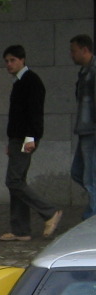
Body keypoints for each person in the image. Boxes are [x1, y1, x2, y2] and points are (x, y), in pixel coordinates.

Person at [0, 45, 61, 242]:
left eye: (12, 60)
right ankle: (21, 230)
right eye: (7, 61)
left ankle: (49, 212)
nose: (9, 64)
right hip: (17, 138)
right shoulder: (20, 82)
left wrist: (30, 138)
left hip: (24, 138)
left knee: (14, 181)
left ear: (22, 60)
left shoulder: (31, 81)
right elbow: (17, 115)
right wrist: (12, 140)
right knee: (17, 182)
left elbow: (34, 113)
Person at [70, 34, 96, 220]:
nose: (71, 55)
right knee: (78, 173)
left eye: (74, 51)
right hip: (85, 130)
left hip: (92, 130)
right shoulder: (84, 71)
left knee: (90, 178)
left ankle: (92, 217)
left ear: (84, 50)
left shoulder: (93, 71)